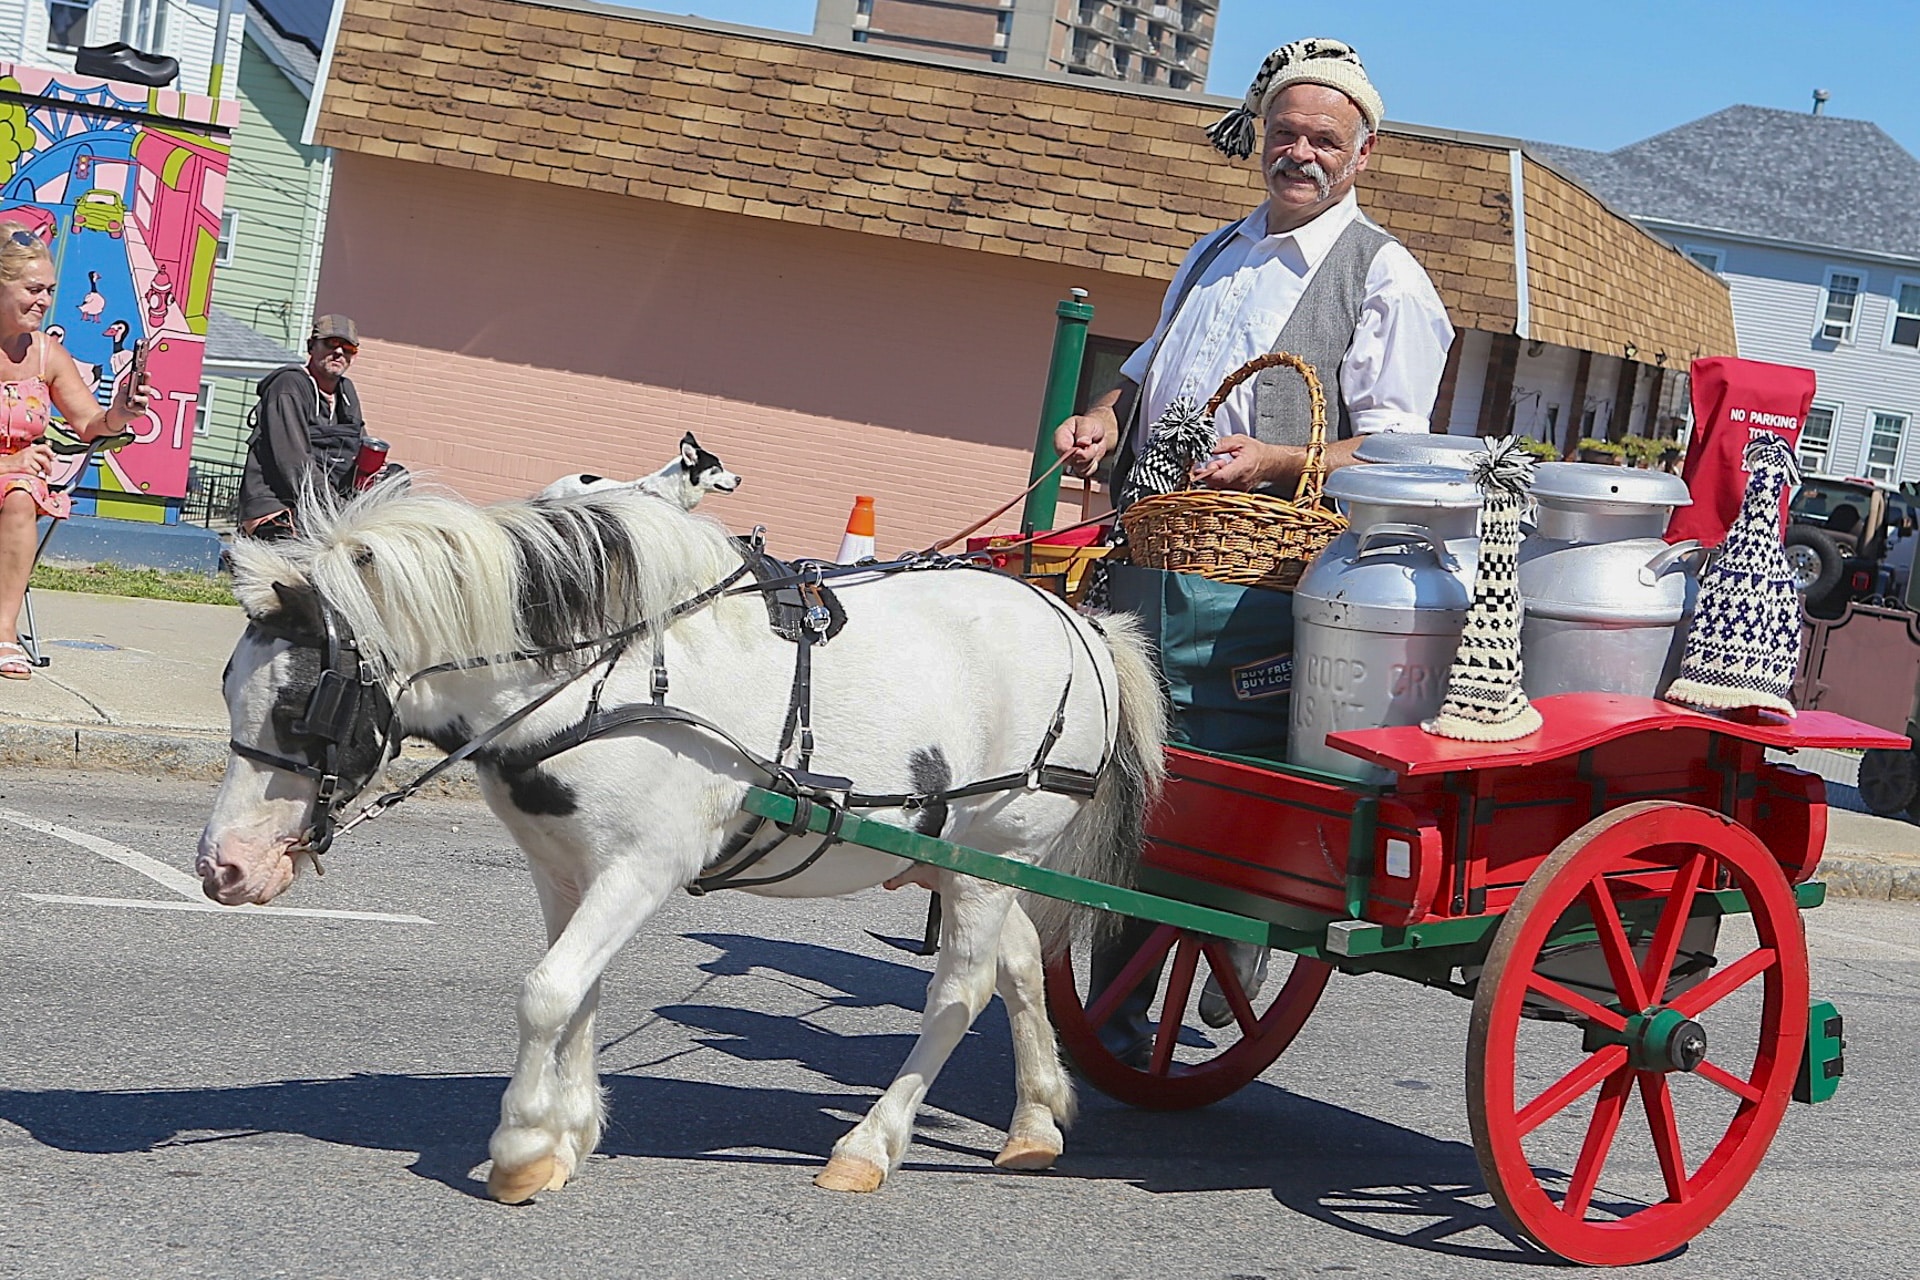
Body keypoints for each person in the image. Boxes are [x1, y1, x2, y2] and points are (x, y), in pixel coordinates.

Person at [1054, 38, 1456, 1064]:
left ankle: (1245, 942)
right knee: (1128, 761)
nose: (1301, 153)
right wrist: (1103, 415)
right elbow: (1142, 372)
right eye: (1286, 134)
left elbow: (1402, 445)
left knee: (1219, 763)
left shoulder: (1387, 277)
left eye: (1326, 140)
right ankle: (1120, 1000)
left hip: (1265, 576)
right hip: (1153, 545)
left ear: (1365, 155)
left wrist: (1283, 457)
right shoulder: (1214, 249)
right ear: (1262, 139)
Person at [0, 226, 150, 681]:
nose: (44, 301)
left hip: (15, 485)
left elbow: (89, 423)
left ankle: (3, 631)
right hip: (11, 470)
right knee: (20, 481)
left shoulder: (47, 354)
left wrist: (120, 410)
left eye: (49, 290)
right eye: (32, 289)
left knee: (23, 493)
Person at [237, 314, 371, 539]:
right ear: (311, 346)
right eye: (330, 344)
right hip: (279, 509)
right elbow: (294, 463)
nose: (339, 352)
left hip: (327, 509)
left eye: (348, 348)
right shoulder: (288, 386)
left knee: (397, 477)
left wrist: (375, 473)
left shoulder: (346, 392)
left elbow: (360, 446)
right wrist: (335, 511)